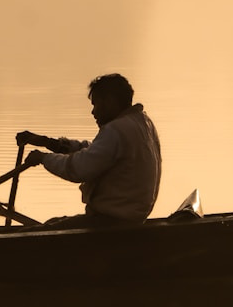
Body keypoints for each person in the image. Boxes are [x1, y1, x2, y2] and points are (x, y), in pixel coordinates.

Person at [16, 73, 161, 227]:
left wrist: (43, 158)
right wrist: (48, 142)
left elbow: (78, 169)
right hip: (130, 219)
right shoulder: (143, 123)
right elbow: (94, 153)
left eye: (96, 104)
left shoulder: (116, 130)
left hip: (112, 222)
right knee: (53, 223)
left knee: (46, 232)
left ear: (110, 102)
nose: (93, 112)